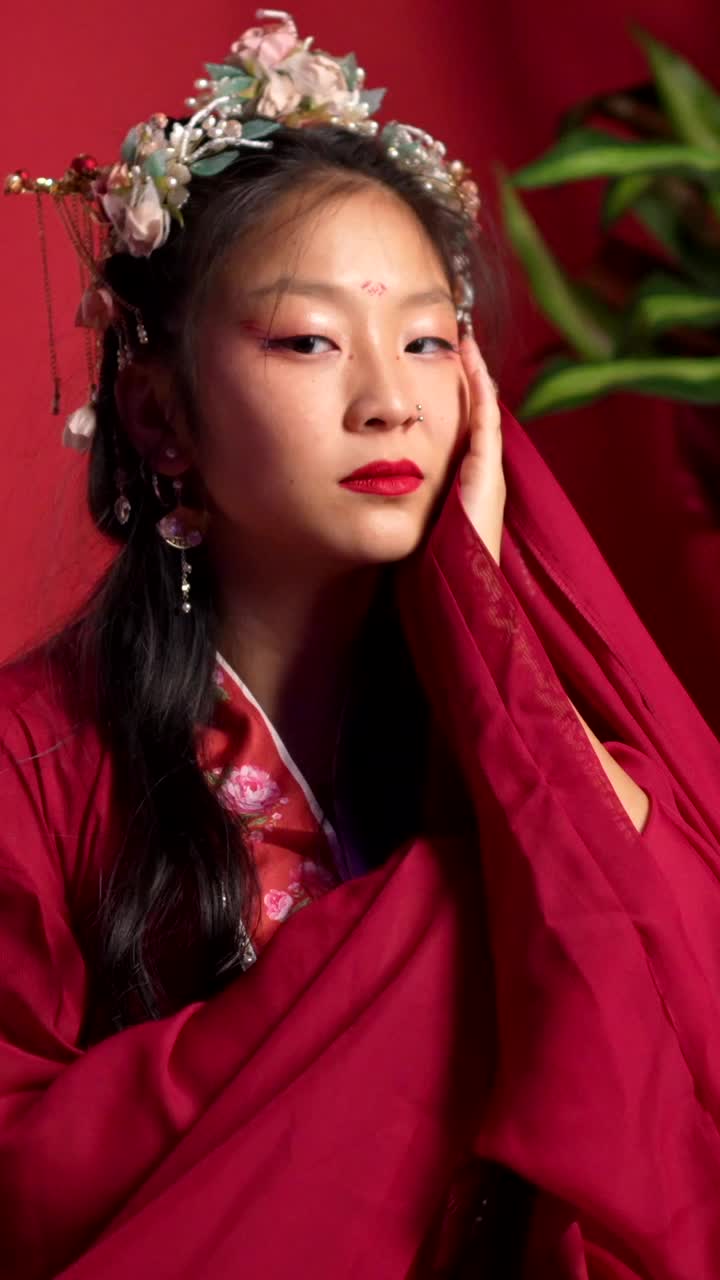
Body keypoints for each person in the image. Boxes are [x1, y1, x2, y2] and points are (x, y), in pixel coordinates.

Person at [3, 11, 720, 1278]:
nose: (389, 394)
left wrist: (491, 615)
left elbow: (679, 1024)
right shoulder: (30, 763)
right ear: (159, 411)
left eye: (431, 339)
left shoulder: (528, 730)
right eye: (309, 338)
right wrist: (407, 945)